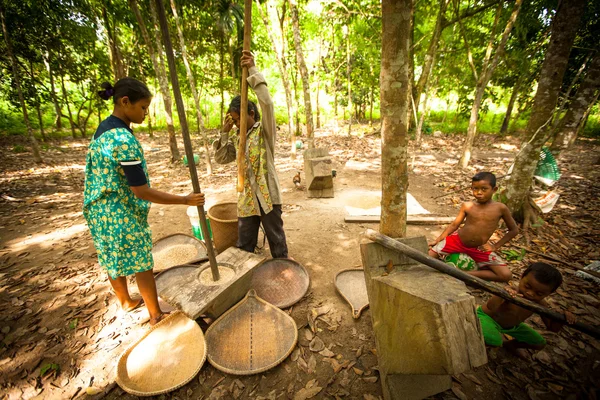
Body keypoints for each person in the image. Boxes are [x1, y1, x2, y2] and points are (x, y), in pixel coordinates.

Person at [83, 77, 205, 326]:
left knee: (110, 256)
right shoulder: (123, 140)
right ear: (125, 102)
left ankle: (126, 301)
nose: (146, 113)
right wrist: (184, 199)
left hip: (97, 208)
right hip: (118, 210)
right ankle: (156, 314)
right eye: (143, 107)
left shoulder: (102, 129)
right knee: (142, 261)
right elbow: (140, 190)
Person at [214, 51, 288, 259]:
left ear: (252, 114)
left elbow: (267, 103)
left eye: (239, 119)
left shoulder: (264, 132)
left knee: (276, 239)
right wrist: (224, 134)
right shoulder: (238, 138)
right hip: (246, 199)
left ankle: (281, 270)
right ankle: (243, 279)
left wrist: (253, 70)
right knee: (244, 243)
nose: (237, 124)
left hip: (268, 197)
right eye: (234, 121)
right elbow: (221, 159)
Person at [429, 172, 518, 282]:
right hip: (457, 241)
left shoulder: (501, 208)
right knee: (428, 258)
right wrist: (439, 240)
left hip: (479, 248)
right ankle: (455, 270)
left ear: (494, 189)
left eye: (484, 189)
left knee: (506, 275)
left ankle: (464, 274)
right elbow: (454, 225)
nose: (479, 193)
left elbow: (514, 230)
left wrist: (495, 247)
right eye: (475, 189)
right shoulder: (467, 206)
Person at [478, 262, 576, 357]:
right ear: (521, 277)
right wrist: (503, 294)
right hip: (487, 318)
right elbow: (491, 306)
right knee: (494, 340)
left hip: (512, 327)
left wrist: (563, 318)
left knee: (539, 343)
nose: (530, 293)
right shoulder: (511, 291)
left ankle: (511, 345)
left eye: (539, 294)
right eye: (527, 286)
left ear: (549, 293)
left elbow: (552, 328)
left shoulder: (540, 304)